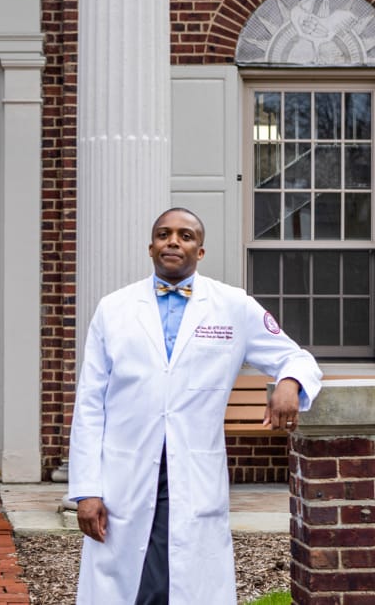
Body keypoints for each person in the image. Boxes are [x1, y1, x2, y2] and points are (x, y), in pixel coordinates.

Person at [68, 207, 322, 604]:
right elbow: (89, 405)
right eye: (164, 234)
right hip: (124, 471)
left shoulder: (233, 306)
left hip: (191, 468)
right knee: (131, 580)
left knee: (180, 577)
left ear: (199, 252)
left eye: (185, 236)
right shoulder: (113, 309)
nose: (173, 241)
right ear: (150, 246)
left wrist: (289, 384)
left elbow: (298, 358)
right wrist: (86, 490)